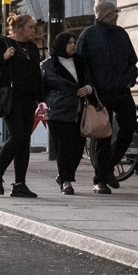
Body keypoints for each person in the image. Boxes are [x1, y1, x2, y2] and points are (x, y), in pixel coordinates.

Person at [0, 13, 45, 198]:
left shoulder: (32, 47)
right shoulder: (3, 43)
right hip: (10, 99)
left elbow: (36, 75)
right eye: (30, 27)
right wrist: (3, 57)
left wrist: (41, 100)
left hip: (28, 100)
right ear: (20, 27)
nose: (33, 30)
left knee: (25, 141)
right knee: (18, 136)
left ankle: (20, 184)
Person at [75, 0, 138, 192]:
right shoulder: (87, 36)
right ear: (102, 15)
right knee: (102, 135)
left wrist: (130, 79)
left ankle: (108, 168)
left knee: (129, 128)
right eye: (112, 14)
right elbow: (81, 66)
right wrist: (89, 89)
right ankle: (100, 179)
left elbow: (132, 62)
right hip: (99, 94)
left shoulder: (121, 34)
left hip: (121, 91)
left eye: (116, 13)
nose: (116, 16)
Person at [41, 32, 94, 195]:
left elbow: (91, 80)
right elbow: (41, 90)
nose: (73, 45)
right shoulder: (48, 65)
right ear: (61, 44)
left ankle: (66, 175)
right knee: (63, 148)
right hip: (58, 111)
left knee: (78, 148)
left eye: (74, 42)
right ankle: (66, 181)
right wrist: (44, 105)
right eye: (70, 42)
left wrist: (89, 88)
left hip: (79, 110)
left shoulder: (80, 62)